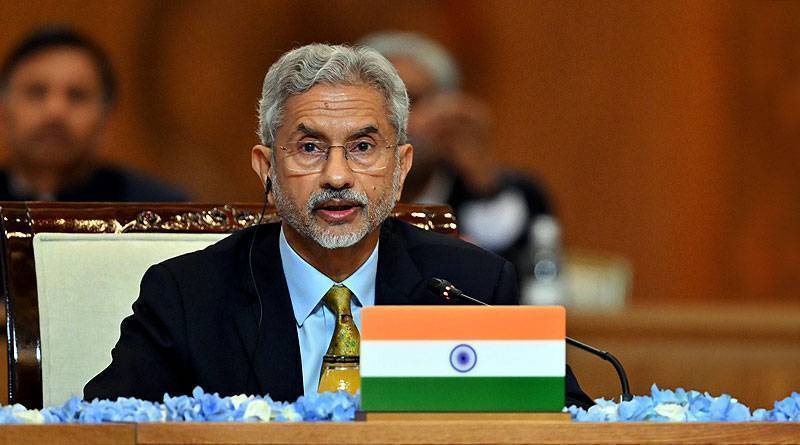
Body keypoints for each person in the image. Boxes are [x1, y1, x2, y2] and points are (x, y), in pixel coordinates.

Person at [84, 43, 592, 408]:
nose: (337, 176)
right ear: (266, 167)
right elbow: (103, 427)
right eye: (309, 147)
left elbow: (565, 422)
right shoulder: (188, 295)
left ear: (401, 167)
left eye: (363, 147)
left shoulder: (470, 287)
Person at [359, 32, 552, 282]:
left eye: (411, 101)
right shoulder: (332, 192)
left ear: (451, 111)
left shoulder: (511, 195)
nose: (394, 122)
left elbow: (517, 283)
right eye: (381, 104)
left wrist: (481, 178)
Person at [0, 26, 187, 201]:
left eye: (77, 95)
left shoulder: (160, 210)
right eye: (36, 92)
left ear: (106, 120)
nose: (55, 111)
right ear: (3, 113)